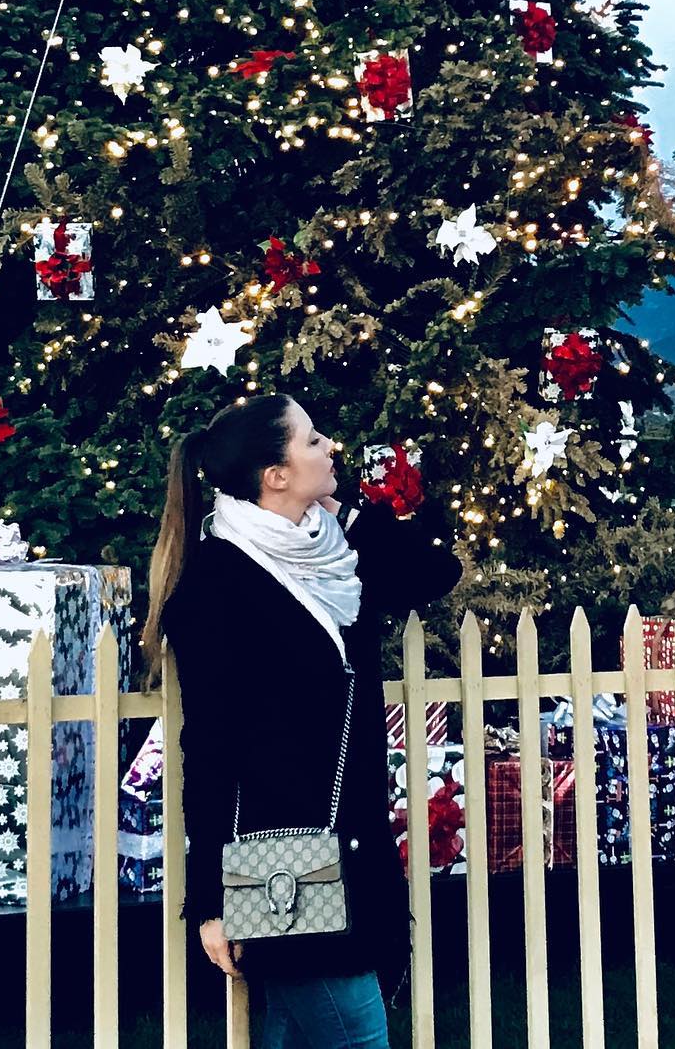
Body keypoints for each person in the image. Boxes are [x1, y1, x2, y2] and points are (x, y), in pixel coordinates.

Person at [141, 393, 461, 1049]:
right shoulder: (216, 585)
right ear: (276, 474)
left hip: (354, 855)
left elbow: (434, 572)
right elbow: (209, 750)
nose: (330, 447)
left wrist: (348, 513)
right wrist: (211, 901)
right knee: (359, 1035)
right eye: (312, 440)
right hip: (280, 869)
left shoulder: (334, 553)